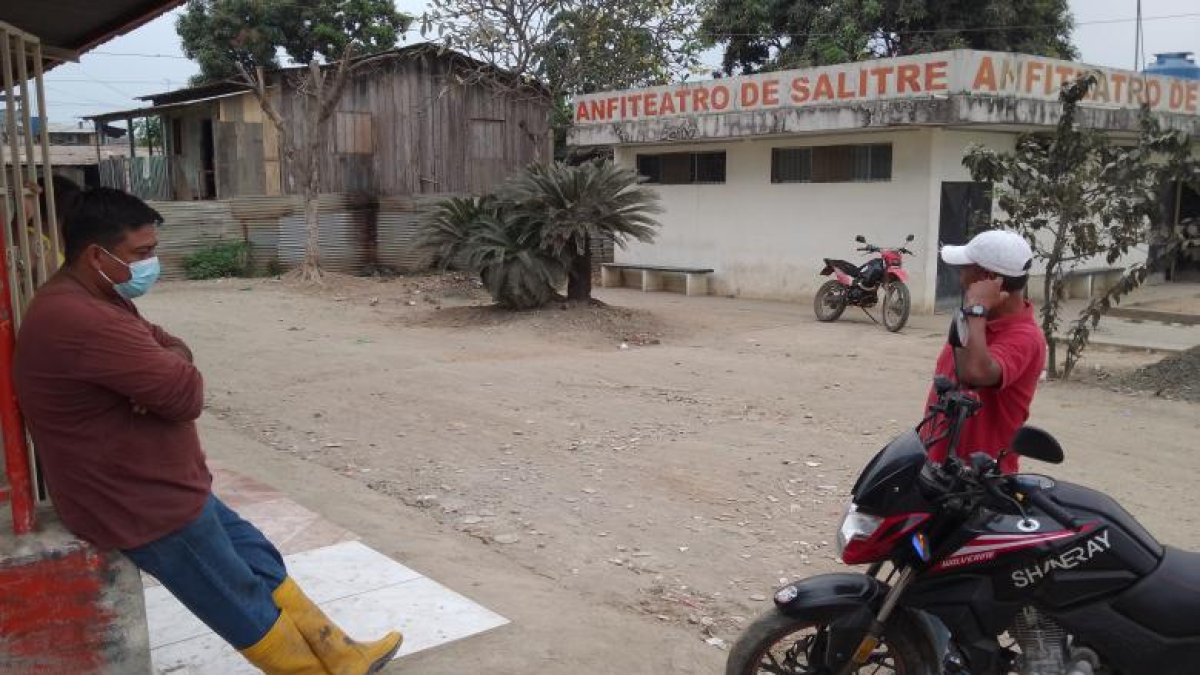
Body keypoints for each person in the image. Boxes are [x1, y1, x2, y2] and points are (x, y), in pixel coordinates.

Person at [13, 188, 403, 674]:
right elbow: (186, 394)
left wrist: (165, 369)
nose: (151, 264)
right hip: (139, 503)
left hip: (169, 487)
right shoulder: (78, 317)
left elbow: (174, 347)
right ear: (96, 256)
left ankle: (341, 655)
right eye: (141, 253)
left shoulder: (100, 298)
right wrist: (166, 375)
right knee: (237, 598)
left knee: (259, 559)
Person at [924, 229, 1047, 474]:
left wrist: (977, 309)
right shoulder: (976, 322)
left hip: (979, 481)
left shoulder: (1025, 337)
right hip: (938, 468)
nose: (960, 276)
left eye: (965, 268)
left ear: (988, 279)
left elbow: (975, 374)